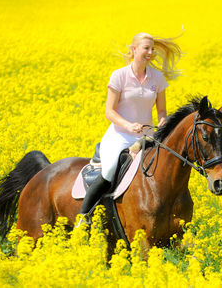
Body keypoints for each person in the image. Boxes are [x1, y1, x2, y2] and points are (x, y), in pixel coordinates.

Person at [78, 32, 182, 219]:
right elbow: (109, 112)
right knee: (109, 170)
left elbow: (162, 111)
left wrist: (163, 121)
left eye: (153, 49)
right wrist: (128, 125)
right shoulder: (119, 76)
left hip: (147, 137)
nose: (150, 52)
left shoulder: (157, 78)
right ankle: (83, 218)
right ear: (134, 49)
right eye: (146, 48)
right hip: (119, 135)